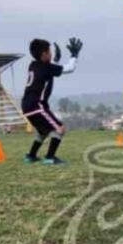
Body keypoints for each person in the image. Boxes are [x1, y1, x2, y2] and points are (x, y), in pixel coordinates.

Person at [22, 37, 83, 165]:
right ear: (44, 54)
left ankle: (31, 156)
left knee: (43, 131)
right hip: (37, 106)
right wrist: (74, 55)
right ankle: (50, 157)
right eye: (49, 52)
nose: (51, 53)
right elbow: (70, 68)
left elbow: (49, 73)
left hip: (27, 106)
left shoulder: (33, 65)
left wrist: (55, 60)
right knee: (60, 129)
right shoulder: (46, 68)